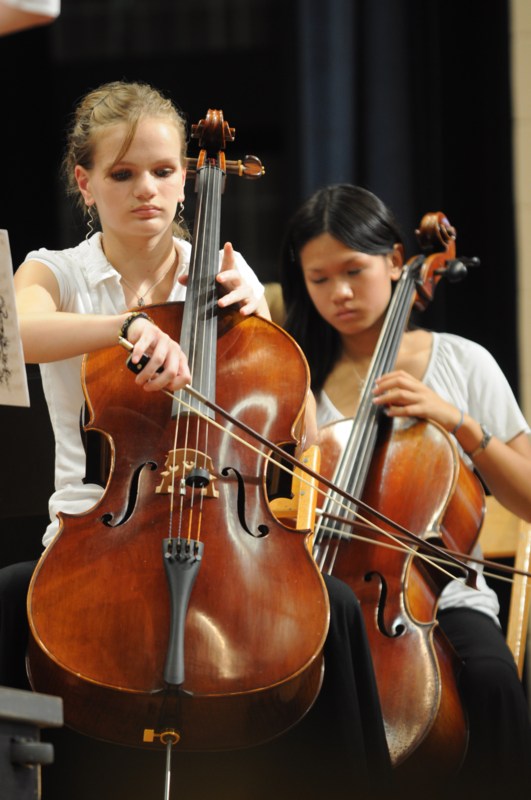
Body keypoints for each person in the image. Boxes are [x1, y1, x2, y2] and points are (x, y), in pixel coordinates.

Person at [0, 82, 392, 800]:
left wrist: (258, 322)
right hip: (95, 538)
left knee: (332, 610)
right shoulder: (55, 270)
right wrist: (124, 327)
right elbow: (19, 330)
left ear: (187, 177)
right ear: (85, 183)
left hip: (222, 534)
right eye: (122, 173)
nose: (146, 189)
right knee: (7, 599)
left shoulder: (220, 275)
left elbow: (301, 433)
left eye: (162, 170)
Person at [278, 182, 531, 799]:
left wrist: (457, 422)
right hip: (325, 599)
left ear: (396, 262)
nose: (339, 293)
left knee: (492, 683)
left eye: (354, 271)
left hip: (441, 604)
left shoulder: (463, 362)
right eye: (318, 279)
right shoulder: (300, 379)